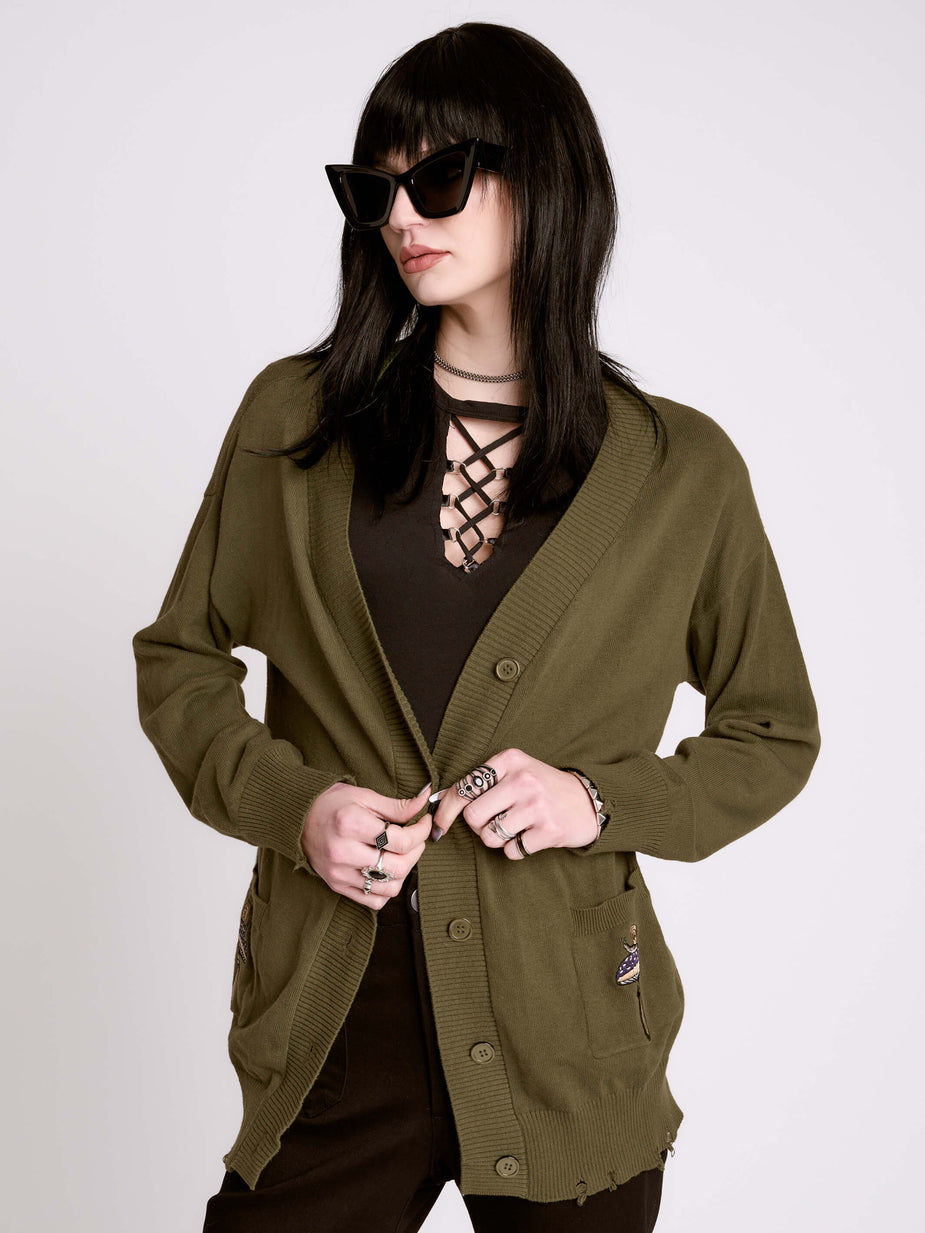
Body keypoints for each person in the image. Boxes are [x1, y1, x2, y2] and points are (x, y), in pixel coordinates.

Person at [132, 21, 821, 1233]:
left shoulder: (682, 471)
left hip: (570, 1030)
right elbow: (180, 660)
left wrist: (597, 801)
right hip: (334, 1020)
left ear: (545, 179)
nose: (402, 215)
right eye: (374, 189)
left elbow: (772, 732)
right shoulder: (295, 423)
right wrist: (295, 805)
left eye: (440, 177)